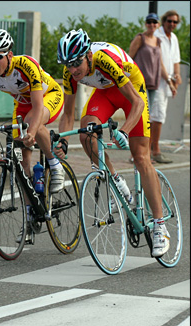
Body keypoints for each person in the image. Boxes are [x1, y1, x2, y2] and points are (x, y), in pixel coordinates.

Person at [57, 29, 169, 257]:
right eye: (68, 65)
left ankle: (159, 225)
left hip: (131, 92)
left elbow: (137, 102)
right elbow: (68, 114)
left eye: (77, 63)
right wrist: (62, 142)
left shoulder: (105, 61)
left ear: (88, 55)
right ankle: (117, 181)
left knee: (140, 157)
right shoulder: (70, 72)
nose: (73, 70)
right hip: (105, 93)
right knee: (87, 131)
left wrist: (125, 131)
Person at [0, 29, 65, 242]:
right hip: (22, 104)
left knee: (31, 125)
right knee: (22, 162)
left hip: (48, 97)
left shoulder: (26, 65)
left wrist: (30, 132)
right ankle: (30, 217)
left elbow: (38, 107)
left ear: (9, 55)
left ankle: (55, 165)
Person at [128, 13, 176, 164]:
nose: (151, 25)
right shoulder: (140, 38)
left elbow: (160, 64)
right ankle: (136, 154)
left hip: (153, 84)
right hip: (140, 84)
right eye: (149, 22)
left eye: (154, 22)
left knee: (148, 120)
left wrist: (169, 81)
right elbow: (129, 59)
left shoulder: (158, 41)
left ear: (157, 25)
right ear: (145, 23)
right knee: (141, 118)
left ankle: (146, 153)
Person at [151, 10, 182, 164]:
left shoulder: (173, 38)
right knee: (156, 116)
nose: (172, 24)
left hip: (166, 82)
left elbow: (175, 60)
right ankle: (154, 150)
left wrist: (177, 76)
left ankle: (150, 150)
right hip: (156, 81)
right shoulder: (157, 35)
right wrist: (169, 81)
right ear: (164, 21)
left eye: (175, 22)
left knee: (159, 116)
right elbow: (159, 62)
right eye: (169, 21)